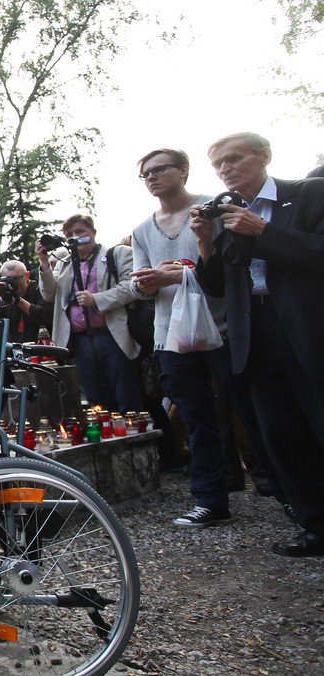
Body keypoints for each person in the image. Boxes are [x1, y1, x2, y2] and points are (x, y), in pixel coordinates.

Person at [192, 132, 324, 556]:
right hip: (255, 333)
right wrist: (205, 242)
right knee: (281, 433)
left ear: (265, 156)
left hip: (307, 327)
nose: (226, 169)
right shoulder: (231, 214)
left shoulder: (309, 195)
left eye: (235, 158)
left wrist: (264, 232)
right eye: (218, 165)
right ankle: (316, 526)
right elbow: (216, 286)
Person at [129, 147, 273, 529]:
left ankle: (286, 488)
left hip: (223, 330)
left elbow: (233, 267)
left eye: (160, 169)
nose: (152, 178)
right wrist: (145, 282)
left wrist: (179, 274)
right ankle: (210, 500)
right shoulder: (143, 230)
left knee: (252, 411)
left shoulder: (214, 208)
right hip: (171, 338)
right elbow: (142, 288)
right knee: (196, 419)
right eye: (145, 174)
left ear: (184, 170)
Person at [37, 214, 143, 413]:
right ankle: (104, 434)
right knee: (95, 398)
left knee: (125, 392)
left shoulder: (118, 254)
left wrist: (97, 299)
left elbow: (132, 288)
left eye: (80, 232)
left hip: (111, 334)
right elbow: (49, 294)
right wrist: (44, 262)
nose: (74, 237)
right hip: (80, 340)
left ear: (93, 232)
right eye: (69, 234)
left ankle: (131, 432)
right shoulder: (63, 262)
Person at [0, 260, 52, 342]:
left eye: (17, 278)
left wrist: (17, 300)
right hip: (14, 350)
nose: (13, 283)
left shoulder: (39, 292)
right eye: (8, 279)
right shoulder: (6, 297)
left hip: (39, 349)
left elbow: (45, 317)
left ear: (27, 275)